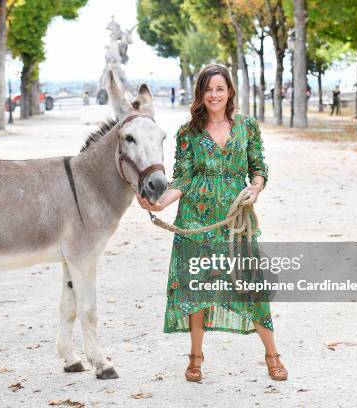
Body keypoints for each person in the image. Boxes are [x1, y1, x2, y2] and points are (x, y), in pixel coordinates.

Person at [137, 64, 287, 383]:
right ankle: (195, 358)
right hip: (195, 218)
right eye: (208, 89)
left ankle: (272, 354)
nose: (214, 95)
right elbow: (183, 178)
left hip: (235, 223)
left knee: (251, 287)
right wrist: (161, 203)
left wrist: (256, 187)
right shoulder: (187, 133)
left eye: (220, 88)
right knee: (196, 290)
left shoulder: (247, 127)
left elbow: (259, 168)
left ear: (229, 91)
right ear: (200, 95)